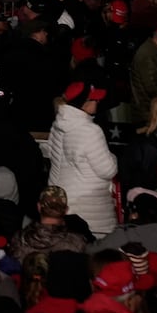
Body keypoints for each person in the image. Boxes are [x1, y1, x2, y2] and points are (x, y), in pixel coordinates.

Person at [46, 80, 120, 237]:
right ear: (83, 103)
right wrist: (112, 156)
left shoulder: (57, 125)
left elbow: (52, 155)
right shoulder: (90, 131)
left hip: (60, 200)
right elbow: (107, 170)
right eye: (94, 99)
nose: (98, 101)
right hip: (87, 209)